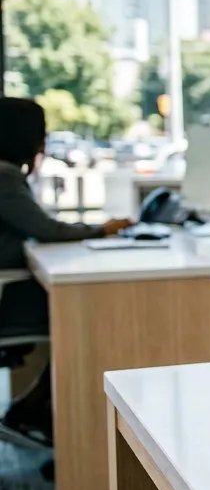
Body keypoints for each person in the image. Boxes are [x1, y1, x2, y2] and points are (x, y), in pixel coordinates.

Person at [0, 97, 133, 451]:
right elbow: (45, 228)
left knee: (85, 314)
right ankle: (64, 427)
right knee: (89, 317)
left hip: (12, 292)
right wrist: (102, 230)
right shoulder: (3, 176)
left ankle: (34, 409)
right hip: (7, 301)